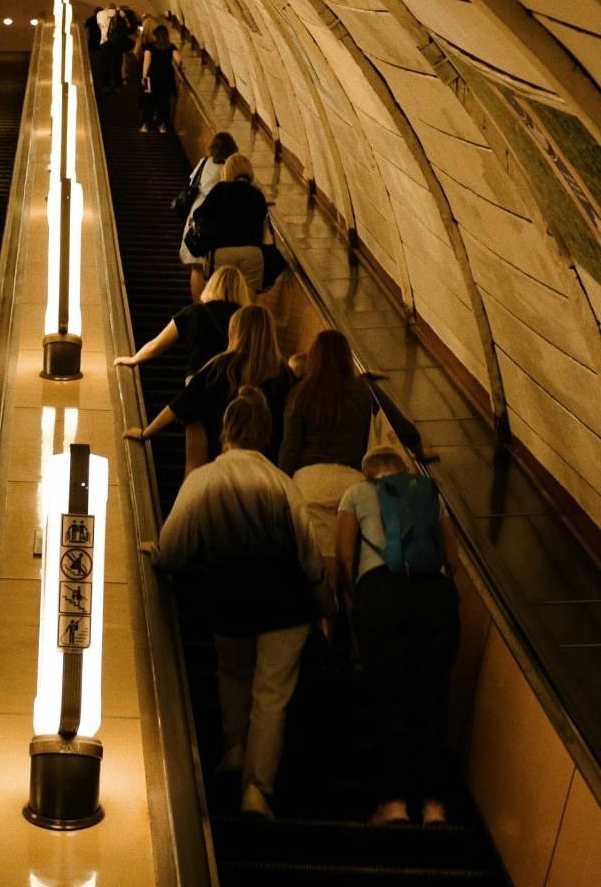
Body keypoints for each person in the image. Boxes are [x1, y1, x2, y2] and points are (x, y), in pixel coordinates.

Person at [148, 386, 335, 820]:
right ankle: (256, 791)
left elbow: (173, 548)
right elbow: (309, 557)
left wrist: (157, 555)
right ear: (266, 435)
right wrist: (326, 605)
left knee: (232, 671)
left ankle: (233, 749)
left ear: (224, 432)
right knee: (272, 695)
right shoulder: (281, 483)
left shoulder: (203, 481)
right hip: (286, 603)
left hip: (228, 597)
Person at [335, 445, 459, 828]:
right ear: (401, 469)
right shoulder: (429, 491)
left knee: (390, 695)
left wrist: (356, 599)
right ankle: (434, 805)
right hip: (435, 597)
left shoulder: (356, 492)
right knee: (433, 697)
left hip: (380, 593)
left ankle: (394, 804)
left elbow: (342, 554)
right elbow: (451, 558)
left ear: (368, 470)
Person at [125, 303, 293, 472]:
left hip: (221, 458)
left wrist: (145, 433)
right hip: (267, 465)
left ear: (237, 331)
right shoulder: (286, 375)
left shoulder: (223, 366)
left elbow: (182, 402)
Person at [281, 329, 376, 555]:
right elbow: (404, 428)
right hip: (352, 484)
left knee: (319, 558)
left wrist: (283, 488)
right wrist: (419, 448)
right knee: (349, 560)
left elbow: (290, 448)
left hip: (309, 483)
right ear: (346, 357)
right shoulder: (365, 391)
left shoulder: (299, 394)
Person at [115, 265, 250, 379]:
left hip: (198, 379)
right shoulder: (246, 318)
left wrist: (134, 359)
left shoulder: (194, 311)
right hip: (234, 381)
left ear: (212, 284)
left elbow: (157, 345)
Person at [187, 153, 268, 300]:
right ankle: (242, 321)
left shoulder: (221, 189)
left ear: (228, 171)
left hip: (222, 251)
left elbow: (200, 213)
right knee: (247, 302)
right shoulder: (258, 194)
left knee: (217, 298)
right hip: (252, 253)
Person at [178, 132, 239, 297]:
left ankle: (197, 304)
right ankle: (211, 302)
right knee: (213, 268)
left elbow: (193, 183)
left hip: (197, 217)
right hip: (219, 220)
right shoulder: (231, 169)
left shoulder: (204, 162)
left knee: (197, 267)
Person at [139, 25, 180, 133]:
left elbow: (147, 60)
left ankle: (145, 125)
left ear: (155, 35)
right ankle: (162, 126)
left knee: (148, 100)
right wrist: (179, 69)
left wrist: (144, 76)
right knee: (164, 102)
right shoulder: (171, 46)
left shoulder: (150, 46)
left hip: (152, 77)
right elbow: (178, 60)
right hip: (167, 78)